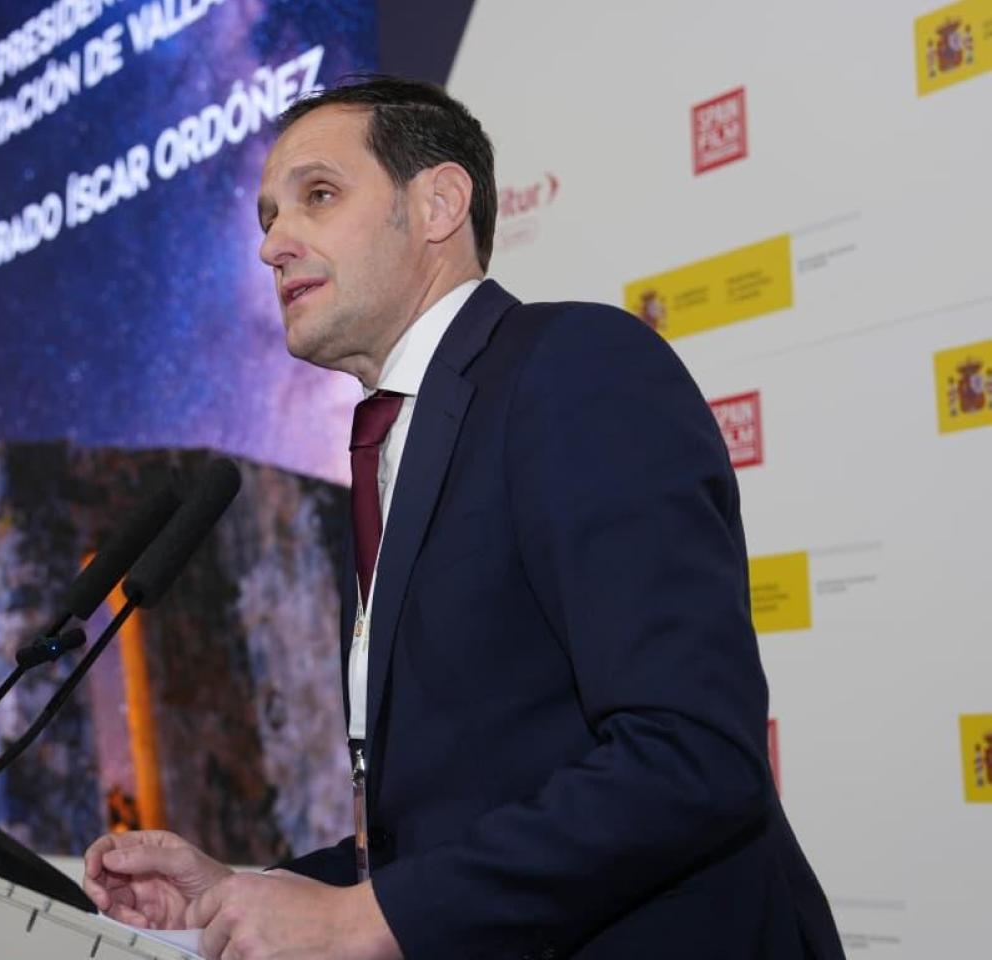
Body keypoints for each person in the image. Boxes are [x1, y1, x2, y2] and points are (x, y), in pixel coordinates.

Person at [81, 76, 843, 960]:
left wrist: (362, 920)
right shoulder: (386, 452)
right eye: (266, 218)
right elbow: (448, 833)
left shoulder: (573, 369)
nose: (273, 245)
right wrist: (236, 898)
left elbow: (690, 756)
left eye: (317, 196)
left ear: (440, 202)